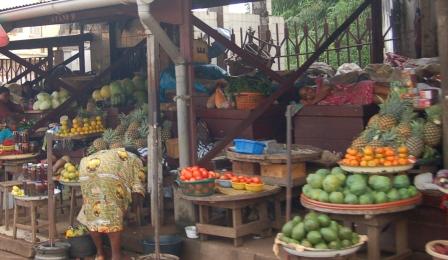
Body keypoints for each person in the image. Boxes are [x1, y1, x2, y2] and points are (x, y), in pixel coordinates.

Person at [77, 147, 146, 260]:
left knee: (91, 211)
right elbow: (137, 190)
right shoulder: (136, 159)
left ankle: (100, 254)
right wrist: (133, 212)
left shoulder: (112, 153)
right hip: (107, 174)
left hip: (85, 166)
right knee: (113, 212)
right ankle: (116, 256)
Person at [299, 77, 390, 106]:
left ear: (311, 86)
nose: (309, 93)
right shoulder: (320, 103)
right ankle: (402, 100)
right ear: (307, 99)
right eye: (305, 95)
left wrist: (312, 102)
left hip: (355, 89)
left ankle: (402, 94)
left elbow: (327, 88)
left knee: (377, 88)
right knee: (379, 99)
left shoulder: (321, 85)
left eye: (307, 89)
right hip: (355, 98)